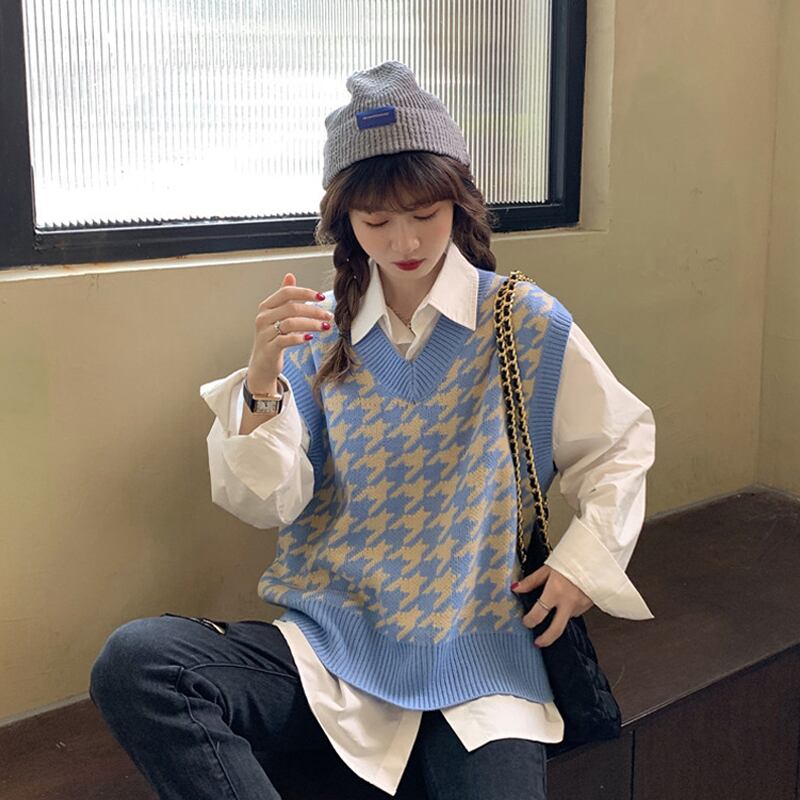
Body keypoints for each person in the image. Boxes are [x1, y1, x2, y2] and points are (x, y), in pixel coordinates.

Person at [89, 61, 656, 800]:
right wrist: (261, 379)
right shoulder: (316, 338)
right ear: (345, 221)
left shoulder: (523, 322)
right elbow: (267, 503)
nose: (404, 239)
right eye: (376, 220)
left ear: (459, 202)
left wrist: (583, 565)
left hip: (481, 669)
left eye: (424, 213)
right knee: (138, 662)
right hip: (330, 653)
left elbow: (618, 444)